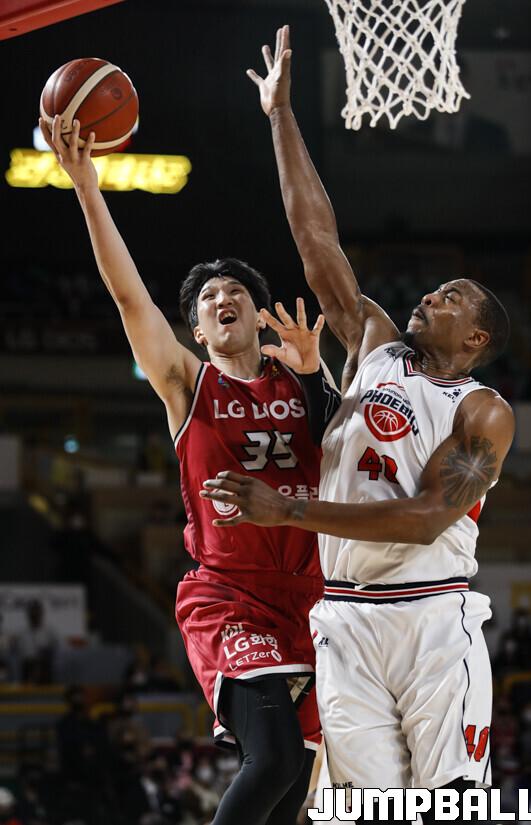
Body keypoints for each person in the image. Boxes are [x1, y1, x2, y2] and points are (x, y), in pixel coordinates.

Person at [200, 24, 516, 818]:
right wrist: (281, 115)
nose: (430, 295)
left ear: (476, 340)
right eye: (434, 288)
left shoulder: (482, 409)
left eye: (452, 297)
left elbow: (424, 517)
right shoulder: (374, 340)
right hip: (344, 616)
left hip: (432, 616)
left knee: (447, 807)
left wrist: (289, 510)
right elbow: (316, 240)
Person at [39, 114, 331, 825]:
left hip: (315, 601)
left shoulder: (305, 381)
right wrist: (87, 187)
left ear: (260, 315)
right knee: (274, 759)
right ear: (197, 330)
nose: (223, 297)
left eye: (236, 292)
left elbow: (351, 461)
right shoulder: (187, 383)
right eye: (208, 298)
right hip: (230, 593)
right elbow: (129, 297)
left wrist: (317, 372)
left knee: (294, 790)